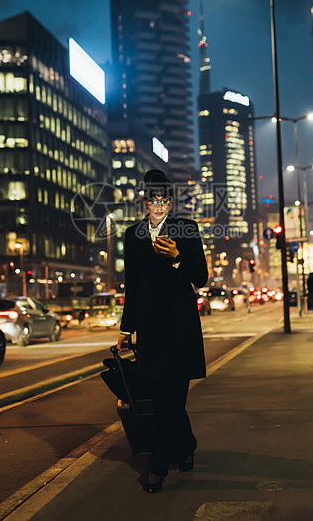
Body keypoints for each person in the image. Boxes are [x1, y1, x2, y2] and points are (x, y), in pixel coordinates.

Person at [116, 169, 208, 493]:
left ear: (171, 201)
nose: (159, 206)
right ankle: (187, 445)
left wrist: (177, 258)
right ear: (144, 201)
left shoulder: (187, 229)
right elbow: (132, 284)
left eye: (164, 200)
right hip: (150, 326)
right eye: (153, 200)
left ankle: (156, 466)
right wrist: (126, 330)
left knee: (174, 394)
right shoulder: (132, 234)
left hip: (180, 324)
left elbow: (202, 277)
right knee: (160, 395)